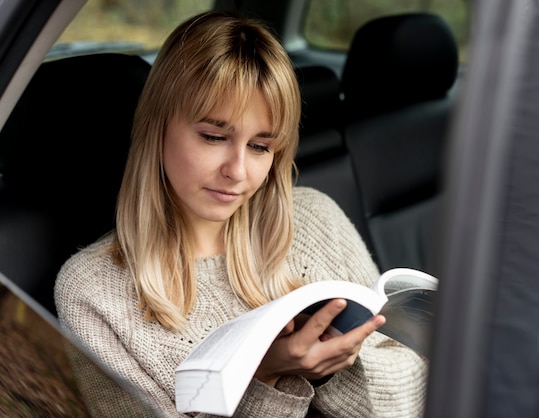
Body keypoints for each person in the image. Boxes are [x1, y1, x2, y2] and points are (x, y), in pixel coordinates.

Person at [54, 10, 428, 418]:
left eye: (260, 146)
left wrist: (335, 371)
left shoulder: (316, 217)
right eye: (214, 137)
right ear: (157, 127)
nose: (237, 172)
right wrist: (266, 377)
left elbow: (422, 381)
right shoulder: (92, 294)